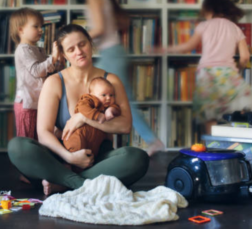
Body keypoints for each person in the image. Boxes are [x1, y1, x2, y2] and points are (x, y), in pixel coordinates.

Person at [8, 24, 149, 196]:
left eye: (82, 44)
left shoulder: (111, 80)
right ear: (63, 54)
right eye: (71, 49)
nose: (79, 52)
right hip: (60, 159)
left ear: (90, 44)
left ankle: (63, 182)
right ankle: (80, 182)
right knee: (17, 147)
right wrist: (70, 158)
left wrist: (84, 118)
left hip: (98, 160)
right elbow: (43, 132)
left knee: (137, 158)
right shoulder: (54, 82)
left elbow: (125, 125)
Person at [79, 0, 165, 156]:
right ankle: (101, 141)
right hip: (116, 53)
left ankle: (150, 141)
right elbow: (120, 24)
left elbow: (99, 28)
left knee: (106, 98)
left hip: (111, 55)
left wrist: (77, 39)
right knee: (110, 99)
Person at [162, 0, 252, 134]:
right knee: (236, 111)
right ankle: (235, 145)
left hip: (207, 75)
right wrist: (239, 68)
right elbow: (245, 57)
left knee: (209, 115)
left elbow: (187, 47)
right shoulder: (235, 28)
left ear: (209, 9)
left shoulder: (204, 26)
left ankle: (212, 147)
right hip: (228, 74)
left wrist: (164, 49)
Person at [10, 8, 63, 183]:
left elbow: (49, 69)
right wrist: (52, 59)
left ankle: (37, 170)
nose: (41, 30)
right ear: (20, 30)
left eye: (42, 26)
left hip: (38, 102)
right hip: (27, 103)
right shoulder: (23, 50)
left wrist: (57, 60)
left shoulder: (37, 49)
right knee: (26, 141)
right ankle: (26, 173)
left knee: (39, 137)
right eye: (36, 26)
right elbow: (37, 71)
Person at [63, 77, 121, 163]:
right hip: (79, 135)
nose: (108, 98)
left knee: (98, 153)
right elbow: (82, 107)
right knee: (76, 148)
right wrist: (97, 115)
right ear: (92, 94)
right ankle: (71, 167)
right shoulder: (89, 99)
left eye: (111, 95)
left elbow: (117, 109)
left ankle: (87, 170)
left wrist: (111, 110)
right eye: (104, 95)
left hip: (94, 143)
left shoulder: (107, 106)